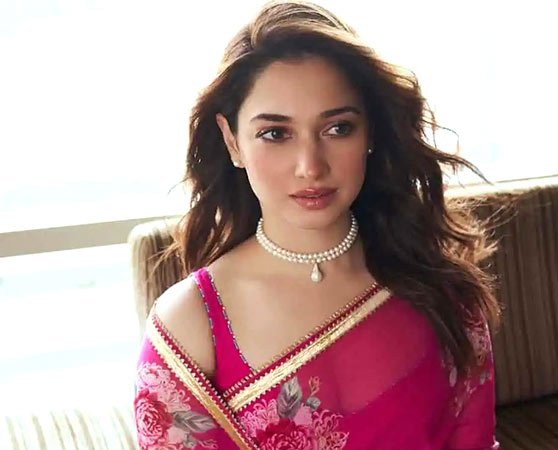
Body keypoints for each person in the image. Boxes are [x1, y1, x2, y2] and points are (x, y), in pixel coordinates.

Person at [133, 1, 501, 448]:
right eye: (275, 133)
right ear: (232, 142)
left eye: (338, 128)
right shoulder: (190, 325)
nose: (310, 166)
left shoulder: (443, 289)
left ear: (371, 133)